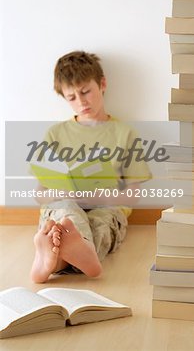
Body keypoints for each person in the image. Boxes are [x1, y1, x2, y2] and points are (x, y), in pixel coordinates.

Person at [30, 51, 152, 283]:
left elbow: (134, 195)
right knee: (65, 214)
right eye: (71, 97)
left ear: (102, 84)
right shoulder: (55, 134)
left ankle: (54, 261)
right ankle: (77, 252)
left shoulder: (124, 134)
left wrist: (104, 198)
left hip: (106, 208)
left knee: (101, 224)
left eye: (85, 91)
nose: (81, 101)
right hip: (65, 204)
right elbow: (40, 195)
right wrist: (61, 194)